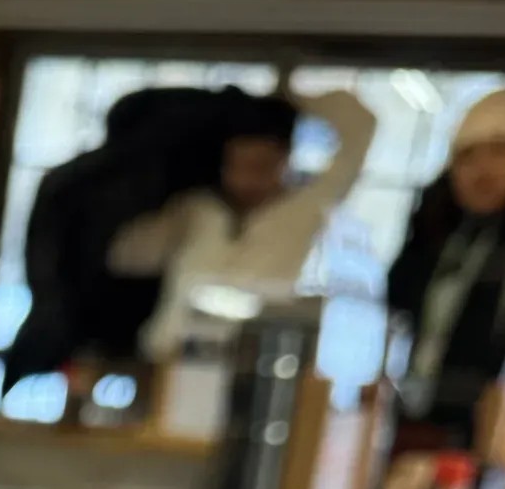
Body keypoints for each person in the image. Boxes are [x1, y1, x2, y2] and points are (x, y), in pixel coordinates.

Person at [106, 87, 376, 360]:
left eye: (262, 166)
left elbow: (361, 125)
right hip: (168, 358)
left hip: (253, 362)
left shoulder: (304, 208)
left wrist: (289, 99)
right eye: (239, 165)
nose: (249, 179)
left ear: (284, 161)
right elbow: (125, 254)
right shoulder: (195, 208)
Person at [388, 88, 505, 444]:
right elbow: (399, 310)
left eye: (499, 153)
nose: (482, 170)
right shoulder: (436, 236)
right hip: (418, 421)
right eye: (468, 157)